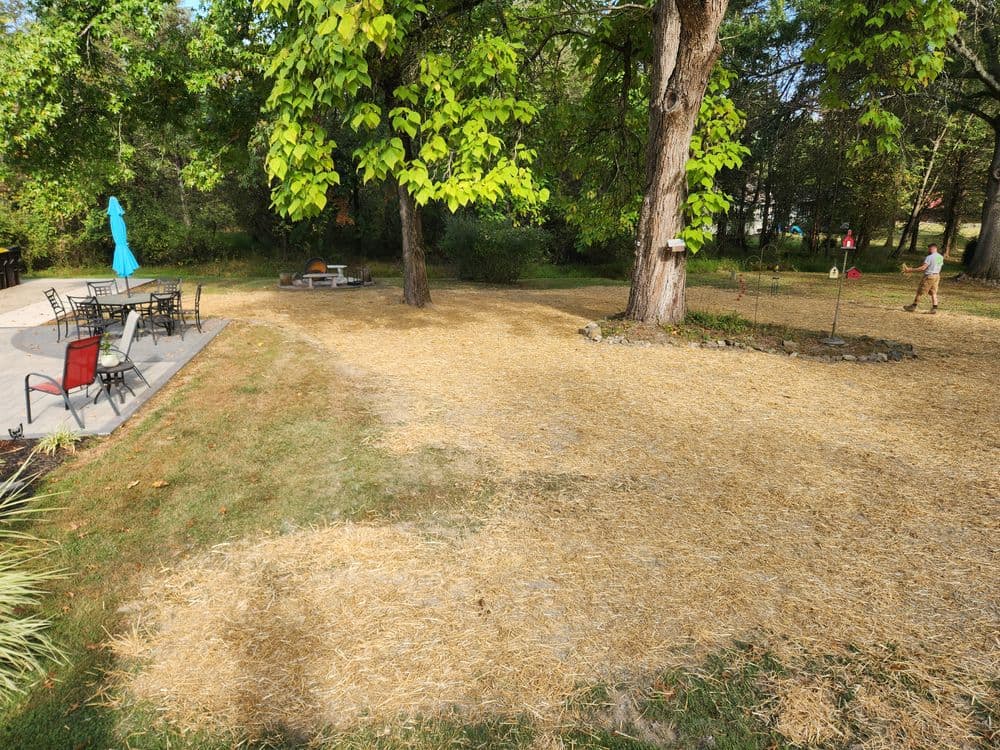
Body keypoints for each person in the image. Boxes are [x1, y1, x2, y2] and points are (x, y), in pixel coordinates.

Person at [902, 243, 944, 313]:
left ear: (933, 248)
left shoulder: (929, 257)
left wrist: (910, 270)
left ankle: (913, 306)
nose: (929, 250)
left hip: (929, 276)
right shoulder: (940, 257)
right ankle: (934, 308)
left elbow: (923, 268)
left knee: (920, 292)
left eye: (930, 249)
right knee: (933, 292)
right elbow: (939, 266)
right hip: (937, 276)